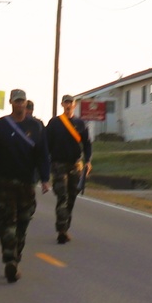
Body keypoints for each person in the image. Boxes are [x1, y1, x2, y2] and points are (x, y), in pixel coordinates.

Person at [0, 89, 50, 283]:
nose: (20, 104)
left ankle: (16, 256)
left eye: (22, 101)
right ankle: (10, 261)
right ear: (11, 103)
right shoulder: (1, 125)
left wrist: (45, 179)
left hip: (27, 184)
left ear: (26, 102)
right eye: (16, 101)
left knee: (23, 223)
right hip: (4, 183)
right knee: (8, 224)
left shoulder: (36, 126)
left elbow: (42, 154)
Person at [46, 95, 93, 244]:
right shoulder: (54, 123)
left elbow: (87, 144)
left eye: (70, 103)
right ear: (62, 104)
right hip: (58, 165)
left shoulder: (80, 123)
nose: (68, 105)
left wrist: (88, 161)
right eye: (66, 103)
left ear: (74, 105)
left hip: (75, 165)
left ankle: (65, 226)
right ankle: (61, 230)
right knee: (62, 196)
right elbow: (46, 144)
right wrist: (45, 165)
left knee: (72, 196)